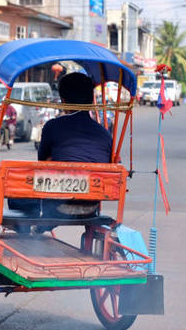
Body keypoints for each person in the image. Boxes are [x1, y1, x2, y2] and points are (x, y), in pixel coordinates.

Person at [9, 72, 112, 220]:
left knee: (15, 197)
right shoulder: (105, 134)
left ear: (63, 101)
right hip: (92, 205)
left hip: (57, 205)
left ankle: (34, 228)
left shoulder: (53, 126)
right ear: (91, 101)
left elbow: (42, 162)